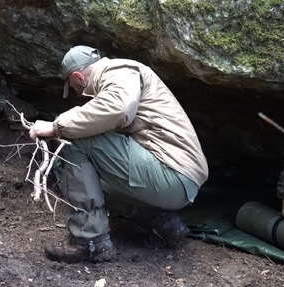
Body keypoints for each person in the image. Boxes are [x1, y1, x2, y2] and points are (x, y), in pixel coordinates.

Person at [29, 45, 209, 263]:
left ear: (78, 76)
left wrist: (57, 127)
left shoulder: (121, 71)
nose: (77, 94)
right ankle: (164, 223)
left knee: (81, 139)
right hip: (176, 180)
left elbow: (118, 109)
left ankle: (89, 242)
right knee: (94, 185)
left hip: (171, 172)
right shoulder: (117, 80)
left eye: (74, 87)